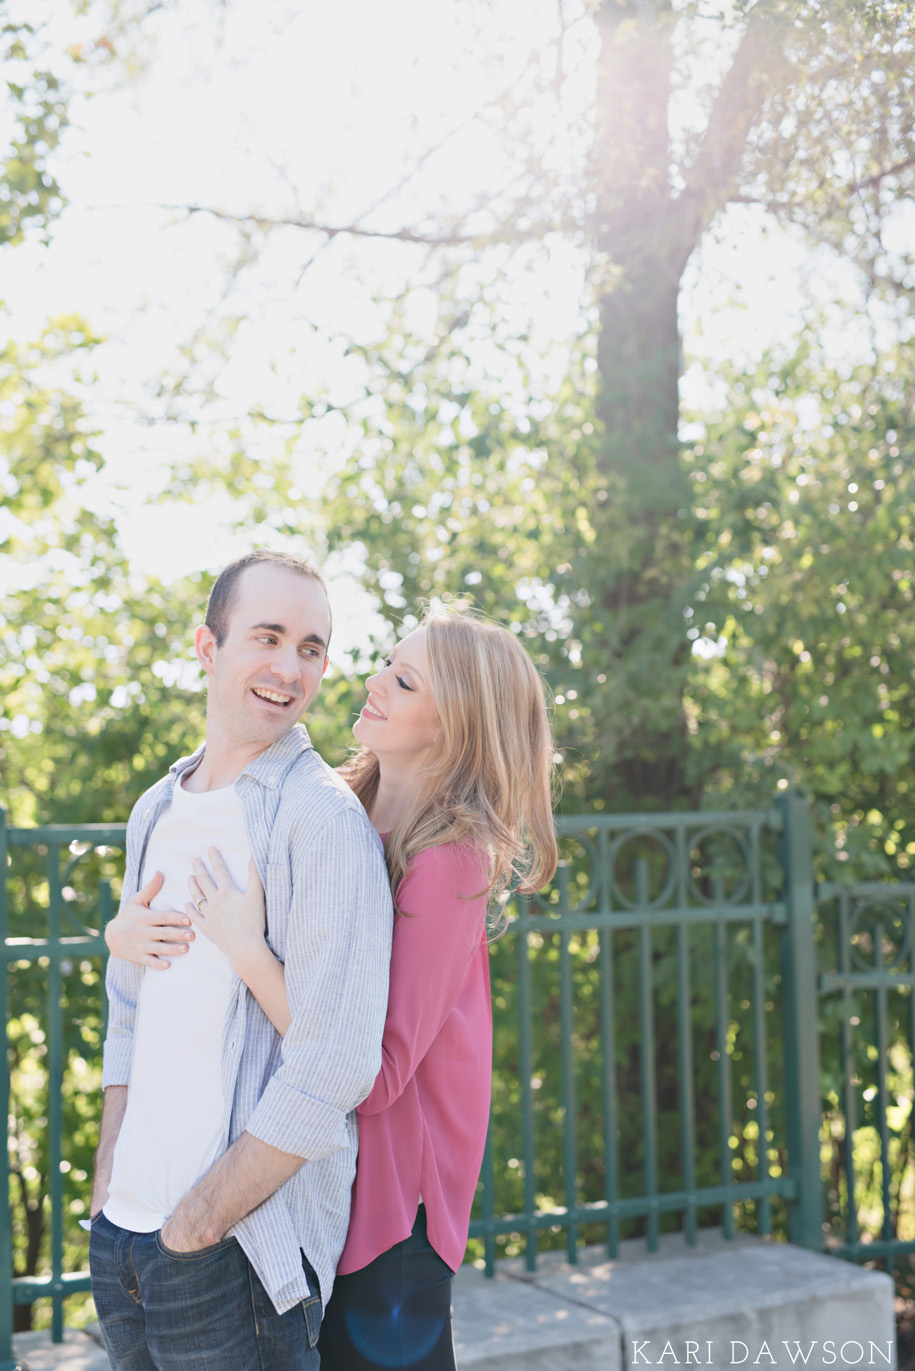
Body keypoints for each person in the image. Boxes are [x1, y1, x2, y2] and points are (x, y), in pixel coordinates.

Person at [107, 605, 558, 1370]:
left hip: (391, 1197)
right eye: (386, 661)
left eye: (404, 679)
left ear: (456, 723)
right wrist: (122, 937)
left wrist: (250, 953)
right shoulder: (336, 805)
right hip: (309, 1168)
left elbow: (370, 1071)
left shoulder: (450, 861)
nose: (373, 681)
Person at [89, 550, 393, 1371]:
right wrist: (108, 1190)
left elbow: (335, 1058)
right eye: (267, 637)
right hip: (125, 1239)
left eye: (310, 647)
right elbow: (129, 1008)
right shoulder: (155, 808)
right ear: (207, 646)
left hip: (233, 1254)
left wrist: (200, 1222)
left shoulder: (320, 818)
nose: (288, 667)